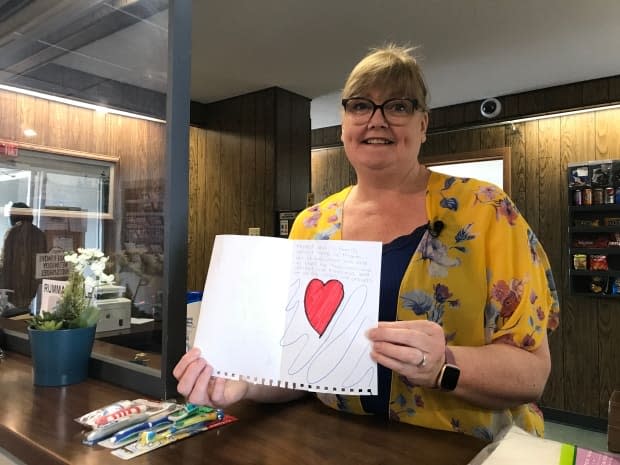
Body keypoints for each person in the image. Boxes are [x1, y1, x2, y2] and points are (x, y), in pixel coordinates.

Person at [174, 44, 560, 440]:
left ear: (422, 124)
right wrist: (245, 386)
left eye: (398, 107)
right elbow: (302, 366)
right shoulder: (312, 225)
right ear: (343, 124)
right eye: (360, 106)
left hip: (465, 451)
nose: (377, 121)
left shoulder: (486, 211)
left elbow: (532, 373)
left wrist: (445, 363)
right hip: (340, 445)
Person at [1, 202, 48, 309]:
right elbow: (42, 263)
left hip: (12, 286)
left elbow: (5, 261)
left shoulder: (12, 232)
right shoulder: (40, 234)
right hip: (32, 287)